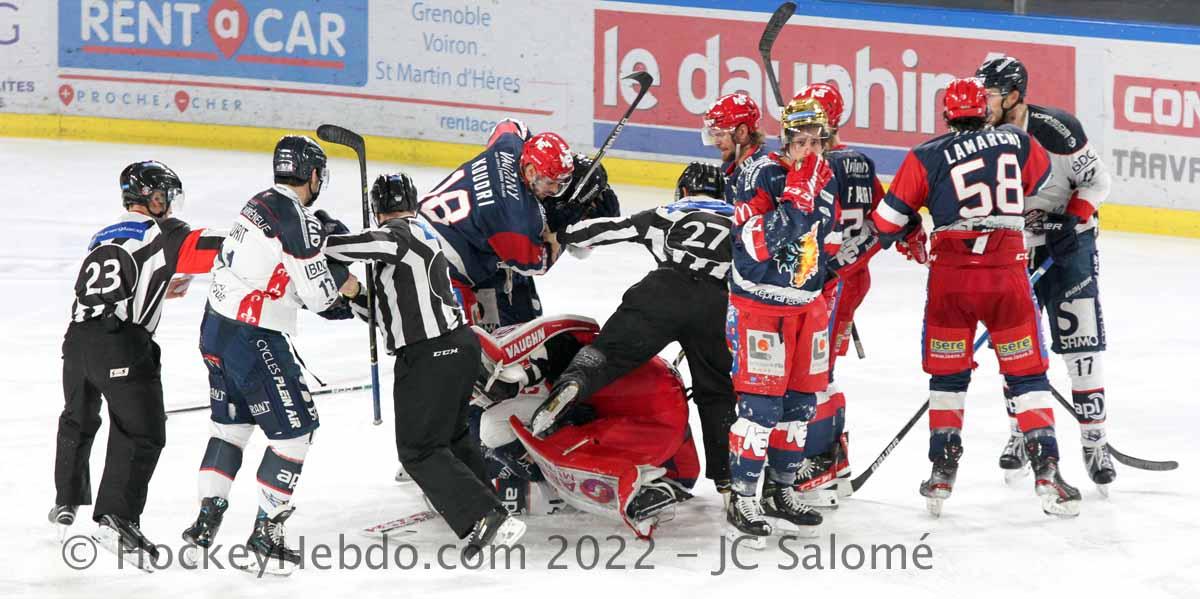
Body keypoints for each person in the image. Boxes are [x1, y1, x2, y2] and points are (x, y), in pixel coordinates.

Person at [870, 77, 1081, 518]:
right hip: (1007, 275)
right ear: (984, 111)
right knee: (1027, 377)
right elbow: (1038, 180)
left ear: (946, 114)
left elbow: (886, 223)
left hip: (951, 282)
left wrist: (912, 225)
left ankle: (941, 470)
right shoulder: (1017, 140)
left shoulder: (925, 154)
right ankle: (1047, 471)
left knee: (947, 379)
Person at [180, 135, 359, 575]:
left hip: (215, 328)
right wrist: (345, 284)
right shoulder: (295, 220)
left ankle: (205, 522)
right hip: (254, 336)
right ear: (312, 174)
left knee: (230, 429)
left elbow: (272, 270)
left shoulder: (258, 201)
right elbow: (319, 297)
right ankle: (266, 535)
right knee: (296, 432)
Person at [324, 173, 526, 559]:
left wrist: (317, 239)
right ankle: (492, 511)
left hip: (430, 354)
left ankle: (484, 515)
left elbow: (346, 246)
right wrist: (354, 292)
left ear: (377, 209)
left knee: (418, 450)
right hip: (458, 346)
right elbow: (386, 312)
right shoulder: (421, 234)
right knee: (451, 438)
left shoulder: (398, 234)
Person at [528, 162, 736, 498]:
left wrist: (561, 235)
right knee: (717, 391)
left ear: (683, 190)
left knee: (608, 352)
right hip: (716, 304)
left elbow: (612, 228)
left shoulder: (669, 213)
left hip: (663, 290)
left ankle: (575, 382)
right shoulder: (739, 219)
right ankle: (727, 479)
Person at [50, 161, 222, 564]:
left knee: (77, 418)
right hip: (120, 344)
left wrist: (158, 288)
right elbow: (215, 250)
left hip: (76, 343)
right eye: (165, 197)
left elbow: (116, 281)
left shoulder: (103, 235)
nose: (170, 205)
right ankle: (117, 518)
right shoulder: (164, 232)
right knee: (142, 431)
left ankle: (66, 500)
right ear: (153, 198)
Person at [976, 56, 1117, 491]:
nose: (983, 102)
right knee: (1016, 347)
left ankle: (1095, 442)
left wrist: (1072, 219)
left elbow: (1097, 182)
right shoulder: (978, 136)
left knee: (1080, 344)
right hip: (1014, 250)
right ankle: (1022, 431)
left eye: (990, 94)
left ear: (1014, 96)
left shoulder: (1057, 130)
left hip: (1069, 247)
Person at [723, 97, 842, 546]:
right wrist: (794, 200)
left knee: (799, 407)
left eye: (817, 141)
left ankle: (780, 490)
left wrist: (823, 290)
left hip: (807, 308)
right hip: (761, 307)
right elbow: (754, 246)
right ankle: (742, 498)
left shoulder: (825, 176)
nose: (809, 149)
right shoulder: (759, 174)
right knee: (761, 410)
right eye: (801, 141)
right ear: (785, 140)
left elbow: (826, 242)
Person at [474, 314, 700, 537]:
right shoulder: (572, 352)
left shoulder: (559, 364)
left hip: (635, 416)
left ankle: (635, 490)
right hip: (638, 403)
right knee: (500, 422)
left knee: (494, 425)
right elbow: (684, 464)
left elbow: (677, 458)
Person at [423, 118, 617, 332]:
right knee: (468, 341)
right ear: (531, 171)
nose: (554, 190)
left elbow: (511, 124)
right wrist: (567, 225)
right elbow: (538, 262)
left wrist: (552, 157)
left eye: (560, 184)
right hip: (440, 269)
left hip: (417, 226)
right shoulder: (516, 219)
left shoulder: (509, 147)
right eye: (550, 182)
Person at [788, 82, 886, 506]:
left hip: (828, 282)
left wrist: (833, 267)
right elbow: (886, 217)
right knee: (821, 369)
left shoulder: (822, 167)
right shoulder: (861, 162)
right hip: (852, 278)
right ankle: (833, 457)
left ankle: (821, 460)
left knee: (814, 372)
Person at [702, 92, 768, 203]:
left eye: (720, 134)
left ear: (742, 132)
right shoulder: (728, 167)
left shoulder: (766, 171)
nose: (716, 143)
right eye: (714, 135)